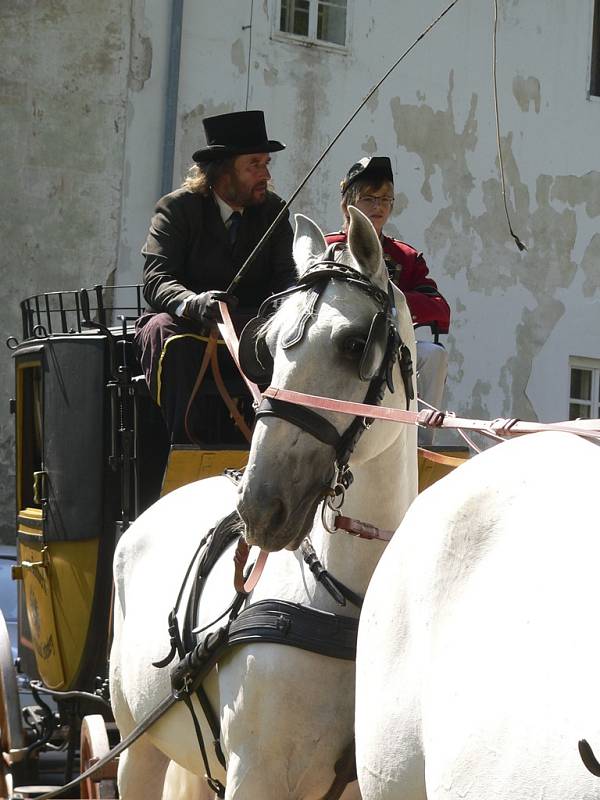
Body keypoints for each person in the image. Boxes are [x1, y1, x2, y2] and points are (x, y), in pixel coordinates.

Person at [135, 110, 296, 444]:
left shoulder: (274, 212)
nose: (265, 173)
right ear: (223, 171)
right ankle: (182, 447)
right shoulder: (177, 209)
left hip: (251, 328)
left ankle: (277, 448)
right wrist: (192, 303)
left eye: (266, 163)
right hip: (189, 325)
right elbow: (157, 277)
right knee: (163, 332)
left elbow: (286, 282)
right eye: (254, 164)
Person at [325, 156, 451, 446]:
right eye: (369, 198)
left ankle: (419, 442)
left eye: (386, 199)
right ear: (347, 204)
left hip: (391, 346)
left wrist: (392, 301)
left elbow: (439, 308)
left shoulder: (404, 257)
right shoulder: (328, 248)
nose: (379, 207)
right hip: (338, 345)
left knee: (433, 354)